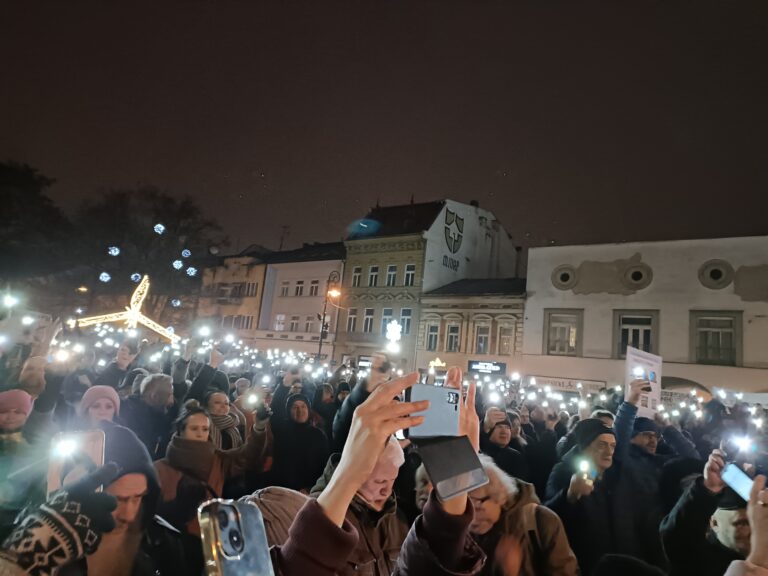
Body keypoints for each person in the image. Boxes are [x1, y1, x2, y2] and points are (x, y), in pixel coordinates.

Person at [0, 422, 186, 576]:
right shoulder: (21, 536)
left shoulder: (162, 542)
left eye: (138, 498)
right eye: (117, 499)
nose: (128, 516)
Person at [545, 379, 667, 575]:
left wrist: (631, 401)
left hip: (625, 565)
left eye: (612, 446)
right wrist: (570, 495)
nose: (609, 451)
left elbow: (621, 433)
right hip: (587, 567)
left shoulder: (616, 474)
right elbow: (548, 518)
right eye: (601, 445)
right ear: (585, 446)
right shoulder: (564, 471)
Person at [154, 399, 269, 572]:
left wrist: (259, 427)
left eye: (205, 429)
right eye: (194, 429)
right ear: (181, 431)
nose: (200, 434)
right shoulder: (160, 468)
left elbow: (247, 456)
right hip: (174, 545)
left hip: (212, 540)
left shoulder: (217, 460)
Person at [309, 436, 409, 575]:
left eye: (392, 480)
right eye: (380, 481)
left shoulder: (397, 519)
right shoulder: (322, 514)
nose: (387, 491)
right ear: (355, 471)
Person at [468, 454, 578, 576]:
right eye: (464, 509)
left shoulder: (541, 521)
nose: (471, 519)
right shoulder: (462, 535)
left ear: (500, 496)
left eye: (478, 506)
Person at [660, 449, 750, 576]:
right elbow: (678, 537)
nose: (755, 530)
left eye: (755, 520)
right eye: (743, 523)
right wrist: (706, 489)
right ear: (714, 523)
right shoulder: (697, 562)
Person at [269, 393, 329, 492]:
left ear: (309, 410)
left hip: (309, 491)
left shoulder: (318, 435)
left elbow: (323, 465)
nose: (300, 411)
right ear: (288, 411)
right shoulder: (281, 432)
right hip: (284, 490)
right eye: (295, 407)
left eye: (303, 406)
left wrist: (311, 488)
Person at [120, 373, 174, 460]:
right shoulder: (131, 412)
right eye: (170, 394)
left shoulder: (159, 416)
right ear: (155, 396)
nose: (172, 400)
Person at [480, 408, 529, 481]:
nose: (504, 431)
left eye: (507, 427)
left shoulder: (516, 456)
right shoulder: (482, 453)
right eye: (499, 427)